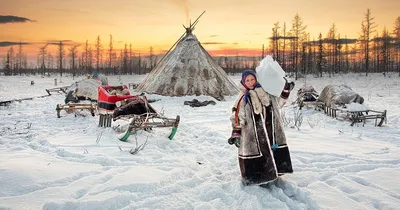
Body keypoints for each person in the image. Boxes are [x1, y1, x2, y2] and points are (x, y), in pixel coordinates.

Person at [228, 69, 294, 185]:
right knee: (256, 151)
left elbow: (279, 102)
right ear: (243, 82)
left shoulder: (266, 93)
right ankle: (257, 178)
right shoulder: (242, 98)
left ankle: (275, 172)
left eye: (252, 79)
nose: (250, 82)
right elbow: (237, 116)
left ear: (256, 79)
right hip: (251, 133)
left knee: (272, 147)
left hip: (269, 129)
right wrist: (236, 133)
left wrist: (285, 89)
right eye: (247, 80)